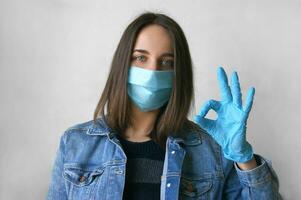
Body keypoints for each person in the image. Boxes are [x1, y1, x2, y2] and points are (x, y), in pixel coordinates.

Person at [46, 12, 282, 200]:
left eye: (167, 62)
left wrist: (244, 159)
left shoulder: (211, 151)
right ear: (122, 65)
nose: (152, 71)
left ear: (179, 74)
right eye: (140, 58)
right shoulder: (76, 143)